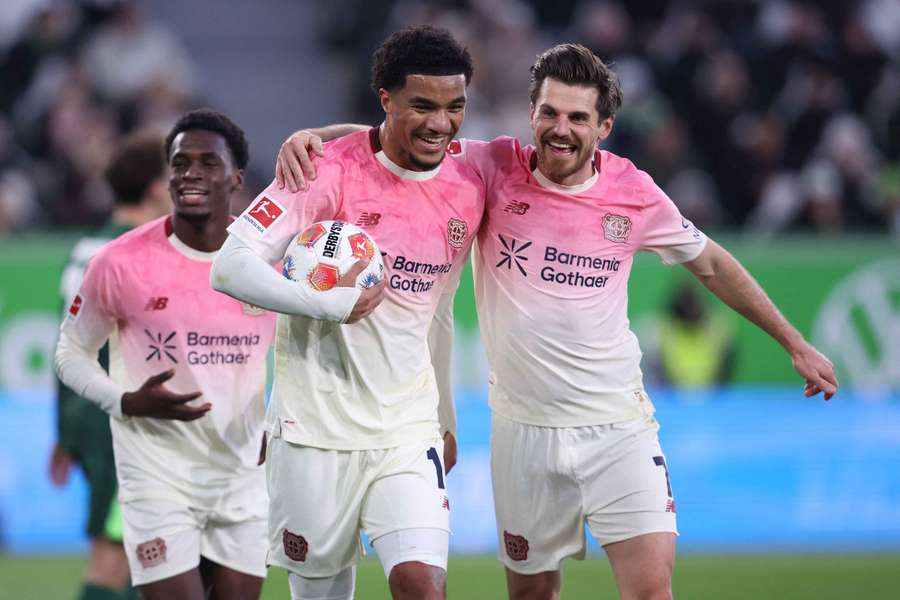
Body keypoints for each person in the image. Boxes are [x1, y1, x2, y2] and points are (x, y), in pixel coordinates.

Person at [276, 43, 838, 600]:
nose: (560, 129)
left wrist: (794, 342)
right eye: (549, 113)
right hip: (522, 433)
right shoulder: (491, 166)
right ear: (532, 114)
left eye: (577, 117)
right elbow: (408, 132)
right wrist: (317, 138)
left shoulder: (634, 193)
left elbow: (712, 264)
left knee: (650, 592)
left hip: (618, 425)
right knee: (533, 594)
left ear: (605, 126)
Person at [209, 26, 483, 600]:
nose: (441, 123)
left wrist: (447, 416)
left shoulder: (467, 183)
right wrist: (325, 303)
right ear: (385, 99)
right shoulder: (320, 171)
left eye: (455, 106)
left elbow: (437, 310)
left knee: (421, 585)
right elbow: (229, 266)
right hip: (312, 432)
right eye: (423, 106)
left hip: (406, 431)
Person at [54, 109, 279, 600]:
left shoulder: (268, 260)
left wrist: (280, 421)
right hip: (156, 478)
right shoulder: (117, 262)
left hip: (242, 477)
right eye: (179, 163)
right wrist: (125, 400)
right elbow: (71, 353)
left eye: (207, 162)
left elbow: (307, 350)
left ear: (237, 177)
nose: (190, 173)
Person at [49, 130, 170, 600]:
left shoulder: (86, 246)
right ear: (156, 186)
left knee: (149, 553)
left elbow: (65, 346)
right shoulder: (133, 253)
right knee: (118, 553)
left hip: (88, 414)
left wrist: (64, 431)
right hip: (120, 418)